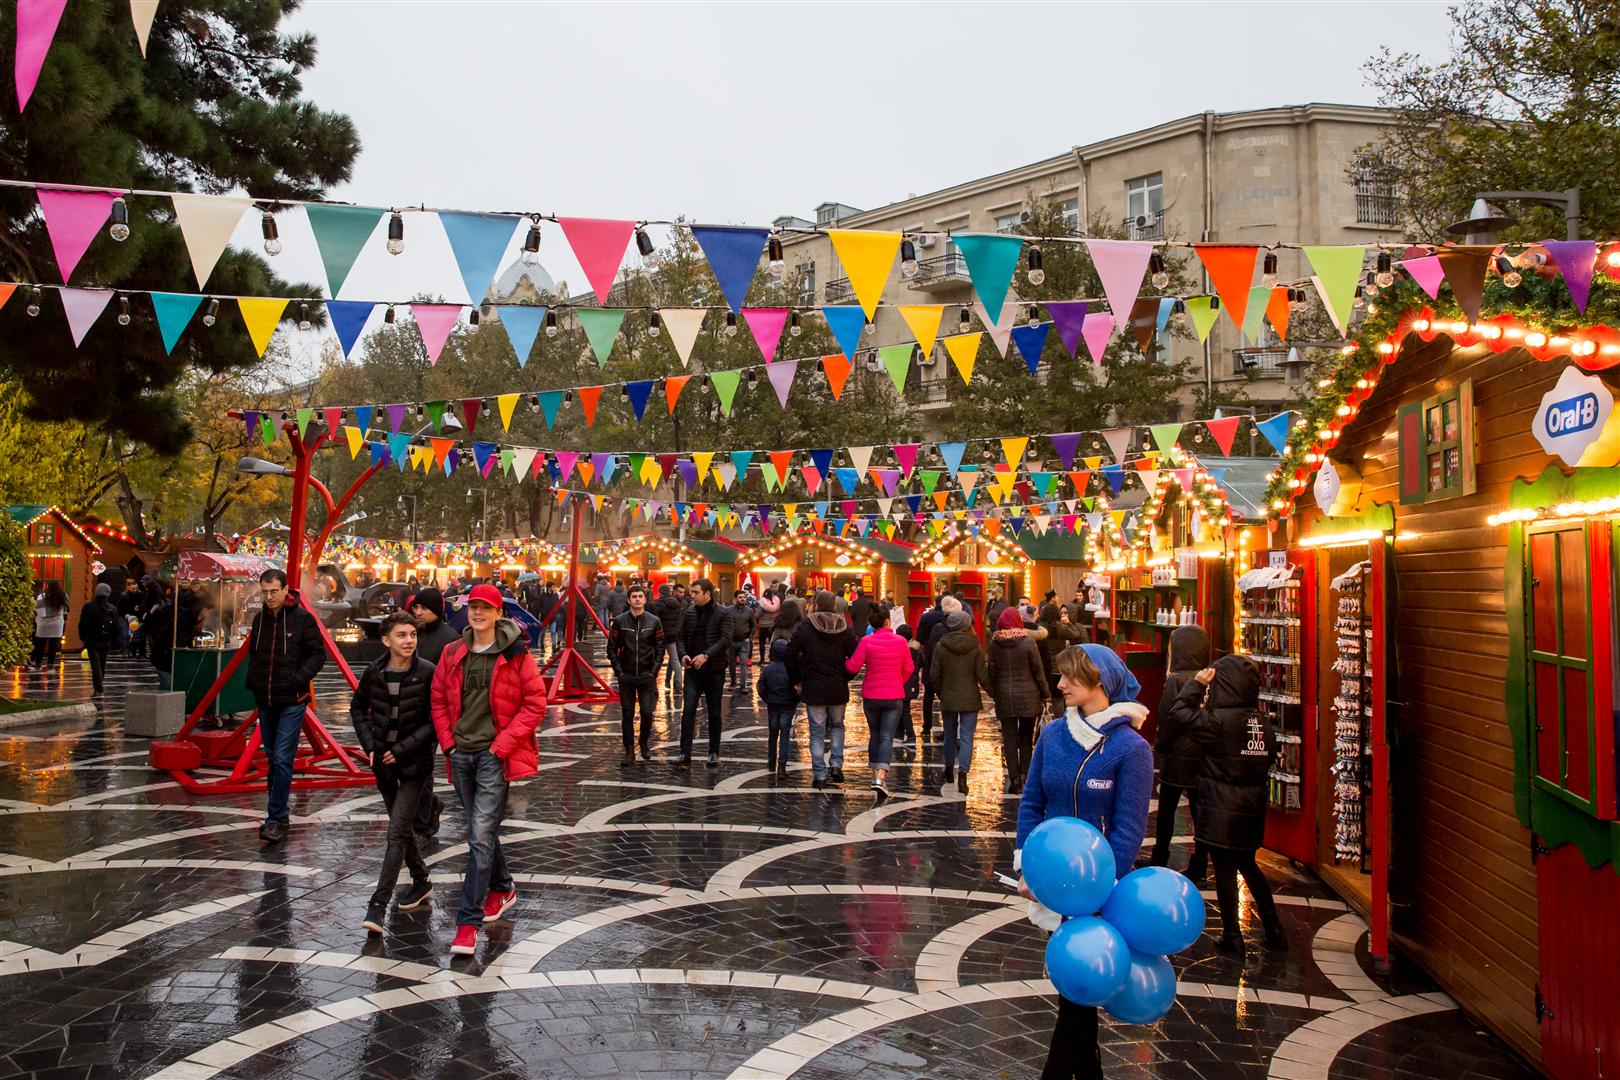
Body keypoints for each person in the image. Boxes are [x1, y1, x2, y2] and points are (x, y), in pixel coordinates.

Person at [1015, 644, 1153, 1080]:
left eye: (1070, 676)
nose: (1060, 684)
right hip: (1052, 884)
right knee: (1075, 989)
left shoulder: (1131, 749)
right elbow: (1032, 802)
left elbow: (1129, 828)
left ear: (1099, 682)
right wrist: (1026, 866)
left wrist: (1095, 889)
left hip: (1098, 893)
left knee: (1076, 992)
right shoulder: (1053, 734)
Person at [430, 583, 545, 957]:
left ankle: (468, 923)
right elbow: (438, 700)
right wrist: (448, 742)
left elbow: (535, 703)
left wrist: (500, 747)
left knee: (479, 835)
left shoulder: (515, 653)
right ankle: (504, 886)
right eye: (473, 607)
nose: (477, 613)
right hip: (461, 754)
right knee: (483, 830)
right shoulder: (453, 652)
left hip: (494, 756)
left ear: (499, 613)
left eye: (485, 608)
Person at [1167, 654, 1286, 957]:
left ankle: (1233, 934)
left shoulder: (1218, 721)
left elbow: (1179, 713)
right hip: (1251, 806)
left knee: (1223, 869)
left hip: (1221, 805)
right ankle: (1274, 928)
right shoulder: (1261, 722)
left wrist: (1195, 685)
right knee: (1249, 864)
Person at [350, 612, 437, 935]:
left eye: (412, 635)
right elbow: (357, 708)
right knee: (401, 831)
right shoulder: (374, 672)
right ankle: (421, 879)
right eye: (401, 635)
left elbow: (433, 721)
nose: (409, 641)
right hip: (382, 763)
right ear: (386, 640)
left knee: (397, 831)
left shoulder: (428, 672)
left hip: (415, 765)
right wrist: (370, 744)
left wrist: (401, 749)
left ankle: (378, 904)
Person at [245, 569, 326, 846]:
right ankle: (278, 814)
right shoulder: (260, 620)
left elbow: (318, 653)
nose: (268, 597)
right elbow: (254, 654)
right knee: (273, 760)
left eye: (273, 591)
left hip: (291, 700)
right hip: (266, 700)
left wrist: (299, 679)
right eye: (264, 592)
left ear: (286, 589)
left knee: (281, 758)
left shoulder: (302, 619)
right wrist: (253, 681)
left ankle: (275, 818)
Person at [1151, 625, 1211, 881]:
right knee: (1200, 812)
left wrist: (1160, 747)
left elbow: (1168, 717)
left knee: (1167, 810)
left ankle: (1160, 856)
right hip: (1203, 754)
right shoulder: (1209, 677)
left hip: (1177, 755)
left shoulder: (1176, 679)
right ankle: (1200, 862)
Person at [784, 590, 857, 790]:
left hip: (814, 686)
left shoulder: (806, 627)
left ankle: (819, 774)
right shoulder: (844, 628)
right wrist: (846, 676)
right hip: (837, 687)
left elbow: (789, 655)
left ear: (816, 605)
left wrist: (798, 678)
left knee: (816, 732)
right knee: (838, 726)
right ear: (835, 606)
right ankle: (836, 765)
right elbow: (856, 657)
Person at [845, 609, 914, 803]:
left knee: (875, 734)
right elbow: (908, 667)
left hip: (871, 695)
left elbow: (853, 666)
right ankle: (880, 776)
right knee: (887, 736)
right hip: (893, 695)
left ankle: (875, 773)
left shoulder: (866, 641)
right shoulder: (901, 642)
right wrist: (898, 681)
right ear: (887, 621)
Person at [930, 609, 993, 793]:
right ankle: (963, 774)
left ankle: (948, 768)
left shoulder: (941, 646)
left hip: (948, 696)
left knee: (949, 734)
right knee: (966, 737)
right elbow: (982, 674)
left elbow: (935, 675)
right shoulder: (975, 646)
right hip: (969, 698)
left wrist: (941, 692)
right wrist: (993, 692)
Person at [988, 606, 1049, 793]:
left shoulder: (994, 644)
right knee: (1025, 737)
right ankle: (1025, 774)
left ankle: (1013, 778)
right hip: (1029, 696)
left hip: (1005, 696)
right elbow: (1038, 671)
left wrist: (995, 692)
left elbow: (992, 671)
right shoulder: (1028, 642)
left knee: (1009, 737)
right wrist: (1046, 694)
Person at [676, 579, 734, 767]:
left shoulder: (723, 613)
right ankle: (684, 752)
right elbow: (680, 636)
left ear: (708, 594)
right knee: (688, 711)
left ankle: (714, 752)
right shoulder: (690, 612)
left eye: (695, 592)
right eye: (691, 592)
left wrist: (706, 655)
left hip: (714, 670)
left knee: (714, 712)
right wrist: (683, 654)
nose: (691, 595)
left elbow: (725, 639)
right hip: (693, 670)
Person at [607, 583, 664, 765]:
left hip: (647, 675)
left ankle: (644, 743)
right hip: (627, 675)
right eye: (634, 597)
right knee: (627, 713)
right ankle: (629, 750)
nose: (637, 599)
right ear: (628, 599)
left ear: (645, 599)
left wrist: (654, 671)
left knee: (647, 712)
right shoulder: (620, 621)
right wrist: (619, 671)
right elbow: (611, 648)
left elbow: (660, 648)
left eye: (640, 596)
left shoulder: (654, 621)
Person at [757, 637, 798, 778]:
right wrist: (795, 700)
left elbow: (761, 686)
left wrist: (767, 698)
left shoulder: (768, 669)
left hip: (773, 705)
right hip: (787, 704)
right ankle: (782, 765)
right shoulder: (791, 669)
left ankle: (771, 762)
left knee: (773, 734)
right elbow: (798, 688)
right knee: (785, 733)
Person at [78, 583, 124, 695]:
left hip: (91, 640)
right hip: (105, 640)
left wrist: (83, 637)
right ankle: (99, 683)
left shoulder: (88, 607)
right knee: (102, 663)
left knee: (95, 664)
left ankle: (98, 688)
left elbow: (82, 624)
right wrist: (113, 639)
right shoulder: (112, 608)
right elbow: (117, 627)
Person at [915, 594, 948, 743]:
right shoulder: (950, 618)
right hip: (945, 661)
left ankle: (926, 727)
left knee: (928, 694)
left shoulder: (927, 617)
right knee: (945, 696)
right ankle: (948, 728)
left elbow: (920, 637)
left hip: (929, 657)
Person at [1036, 602, 1082, 701]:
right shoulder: (1060, 627)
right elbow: (1076, 634)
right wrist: (1068, 623)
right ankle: (1059, 716)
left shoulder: (1039, 628)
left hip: (1043, 667)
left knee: (1042, 697)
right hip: (1058, 668)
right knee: (1058, 699)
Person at [409, 588, 459, 664]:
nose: (418, 612)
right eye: (416, 607)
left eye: (424, 608)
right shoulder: (410, 632)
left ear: (436, 610)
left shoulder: (450, 637)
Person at [652, 584, 686, 692]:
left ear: (661, 593)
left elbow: (655, 621)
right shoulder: (677, 603)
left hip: (661, 636)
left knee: (657, 661)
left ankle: (654, 686)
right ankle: (679, 684)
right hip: (673, 636)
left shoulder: (658, 604)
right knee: (675, 660)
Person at [30, 581, 69, 670]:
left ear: (47, 586)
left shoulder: (42, 596)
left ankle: (38, 663)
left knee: (40, 644)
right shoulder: (63, 596)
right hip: (57, 623)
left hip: (43, 623)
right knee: (53, 645)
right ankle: (50, 664)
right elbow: (67, 609)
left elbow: (37, 609)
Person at [894, 624, 923, 744]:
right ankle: (899, 733)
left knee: (904, 710)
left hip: (905, 683)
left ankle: (910, 735)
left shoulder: (904, 649)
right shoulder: (917, 650)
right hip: (912, 684)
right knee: (902, 708)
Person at [727, 590, 757, 687]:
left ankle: (743, 685)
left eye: (744, 597)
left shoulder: (749, 611)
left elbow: (753, 626)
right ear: (735, 599)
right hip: (731, 641)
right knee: (732, 664)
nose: (742, 599)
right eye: (740, 597)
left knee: (743, 664)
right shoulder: (729, 610)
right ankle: (733, 682)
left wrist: (750, 637)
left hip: (744, 641)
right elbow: (725, 624)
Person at [756, 586, 780, 659]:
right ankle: (772, 658)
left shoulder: (762, 602)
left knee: (762, 643)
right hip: (772, 626)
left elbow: (759, 614)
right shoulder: (776, 602)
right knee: (772, 643)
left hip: (763, 626)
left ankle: (762, 659)